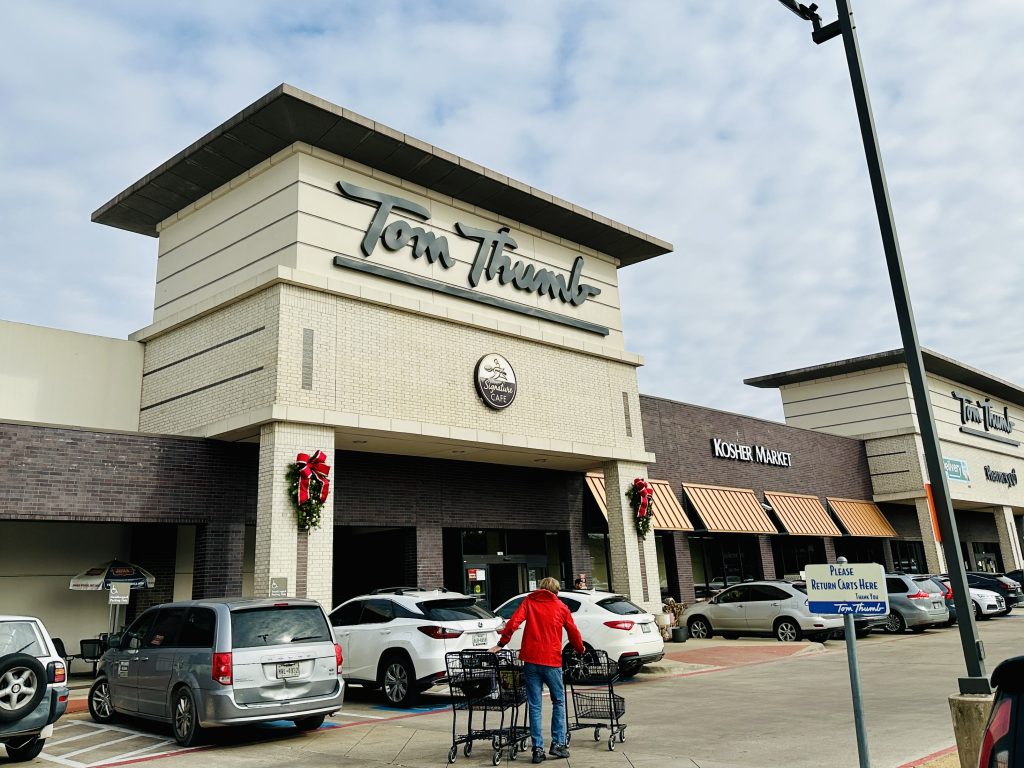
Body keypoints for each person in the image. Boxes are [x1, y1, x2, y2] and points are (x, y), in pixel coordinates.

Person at [490, 577, 584, 763]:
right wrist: (580, 649)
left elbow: (513, 622)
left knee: (535, 705)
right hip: (551, 661)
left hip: (531, 660)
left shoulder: (529, 601)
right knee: (558, 701)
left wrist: (501, 643)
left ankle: (538, 749)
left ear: (541, 588)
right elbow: (573, 631)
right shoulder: (561, 607)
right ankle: (557, 744)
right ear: (556, 591)